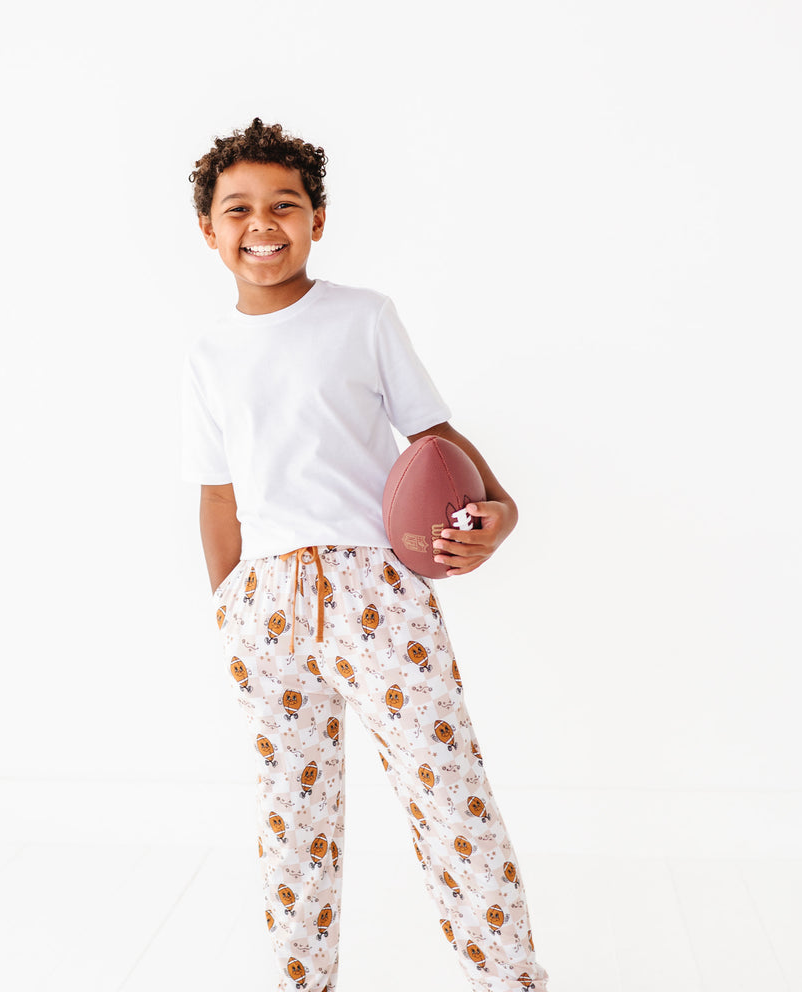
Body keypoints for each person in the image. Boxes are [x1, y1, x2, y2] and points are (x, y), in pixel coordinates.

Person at [181, 117, 550, 992]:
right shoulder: (207, 356)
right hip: (265, 606)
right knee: (292, 822)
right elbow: (218, 496)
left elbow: (434, 436)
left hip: (373, 593)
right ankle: (302, 981)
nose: (261, 223)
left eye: (285, 204)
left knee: (448, 799)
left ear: (316, 219)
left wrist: (500, 508)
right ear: (208, 229)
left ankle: (511, 981)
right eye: (238, 208)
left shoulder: (363, 317)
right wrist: (227, 606)